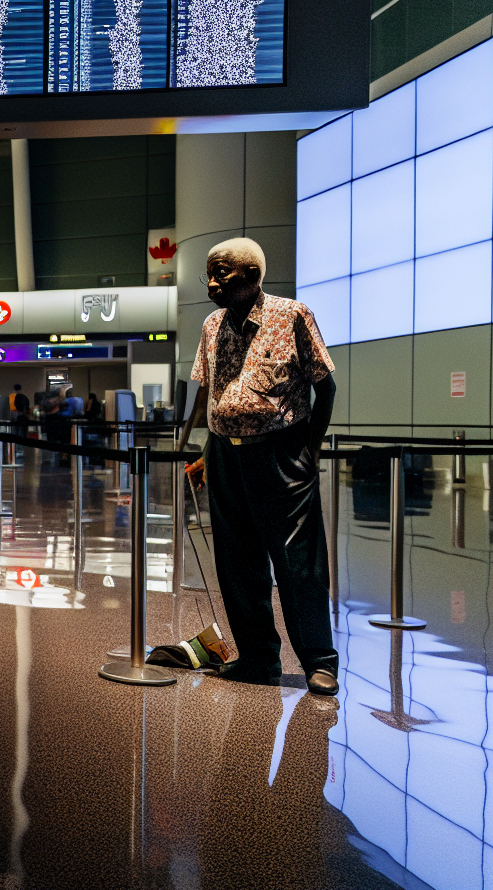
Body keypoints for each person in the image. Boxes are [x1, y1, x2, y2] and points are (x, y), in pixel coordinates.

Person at [179, 237, 340, 697]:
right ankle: (257, 657)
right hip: (224, 453)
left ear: (252, 277)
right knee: (237, 561)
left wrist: (307, 452)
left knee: (297, 564)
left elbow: (325, 390)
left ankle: (319, 662)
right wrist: (199, 450)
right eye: (208, 274)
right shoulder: (212, 324)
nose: (211, 284)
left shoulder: (292, 315)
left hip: (281, 454)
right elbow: (205, 391)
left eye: (222, 274)